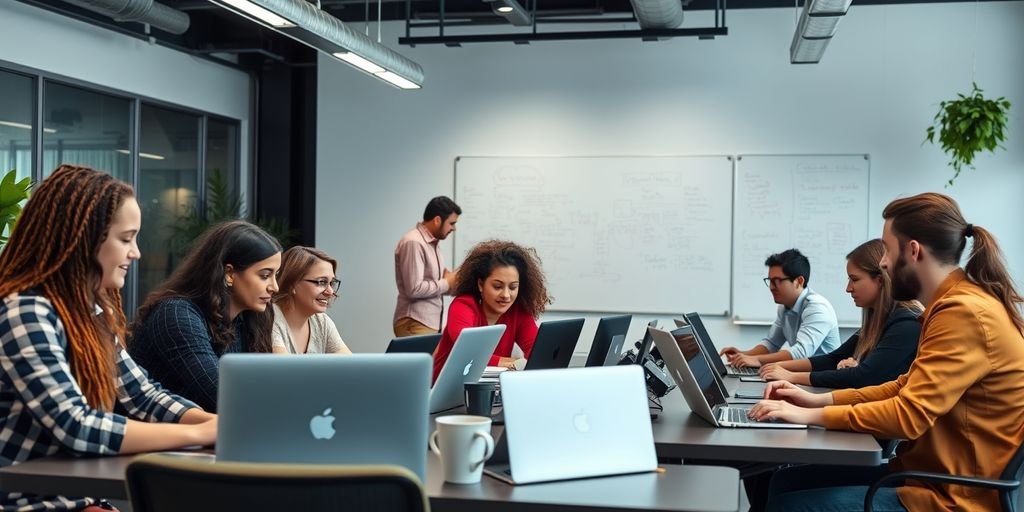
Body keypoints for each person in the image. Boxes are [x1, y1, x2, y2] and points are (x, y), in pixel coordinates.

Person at [749, 192, 1024, 511]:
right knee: (783, 481)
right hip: (926, 475)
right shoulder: (954, 304)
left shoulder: (963, 313)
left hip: (952, 497)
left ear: (913, 251)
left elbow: (909, 415)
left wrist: (811, 416)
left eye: (887, 251)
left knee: (791, 505)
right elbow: (903, 386)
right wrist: (817, 399)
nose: (882, 262)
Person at [0, 165, 216, 511]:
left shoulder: (90, 314)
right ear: (85, 237)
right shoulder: (25, 311)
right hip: (26, 503)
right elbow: (76, 425)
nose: (136, 253)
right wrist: (200, 434)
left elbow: (143, 397)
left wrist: (215, 422)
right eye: (127, 238)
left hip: (74, 500)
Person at [129, 220, 281, 412]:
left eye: (276, 275)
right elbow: (223, 395)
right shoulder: (176, 314)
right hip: (154, 437)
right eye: (265, 275)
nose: (274, 286)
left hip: (207, 435)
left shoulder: (248, 320)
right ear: (229, 274)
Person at [758, 239, 923, 388]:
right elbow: (832, 359)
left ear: (880, 280)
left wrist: (790, 376)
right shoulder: (880, 320)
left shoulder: (906, 323)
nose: (848, 288)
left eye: (855, 279)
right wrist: (778, 367)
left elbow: (863, 376)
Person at [431, 240, 551, 382]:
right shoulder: (462, 306)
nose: (506, 295)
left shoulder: (518, 312)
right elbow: (468, 353)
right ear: (481, 284)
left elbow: (536, 351)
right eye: (497, 286)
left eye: (513, 287)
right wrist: (511, 362)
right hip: (444, 390)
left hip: (488, 389)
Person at [720, 248, 841, 368]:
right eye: (770, 281)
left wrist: (756, 360)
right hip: (804, 376)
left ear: (799, 281)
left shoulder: (817, 308)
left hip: (825, 381)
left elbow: (800, 353)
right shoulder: (784, 307)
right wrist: (742, 355)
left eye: (777, 281)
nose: (771, 287)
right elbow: (771, 344)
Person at [393, 196, 461, 337]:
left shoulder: (431, 243)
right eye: (452, 223)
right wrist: (447, 282)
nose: (454, 228)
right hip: (415, 321)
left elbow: (435, 284)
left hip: (427, 323)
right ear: (437, 220)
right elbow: (414, 289)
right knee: (423, 360)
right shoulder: (414, 242)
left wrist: (453, 283)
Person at [271, 246, 352, 354]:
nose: (330, 292)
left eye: (332, 283)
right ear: (292, 284)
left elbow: (350, 366)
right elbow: (286, 370)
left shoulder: (321, 321)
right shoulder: (270, 318)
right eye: (321, 282)